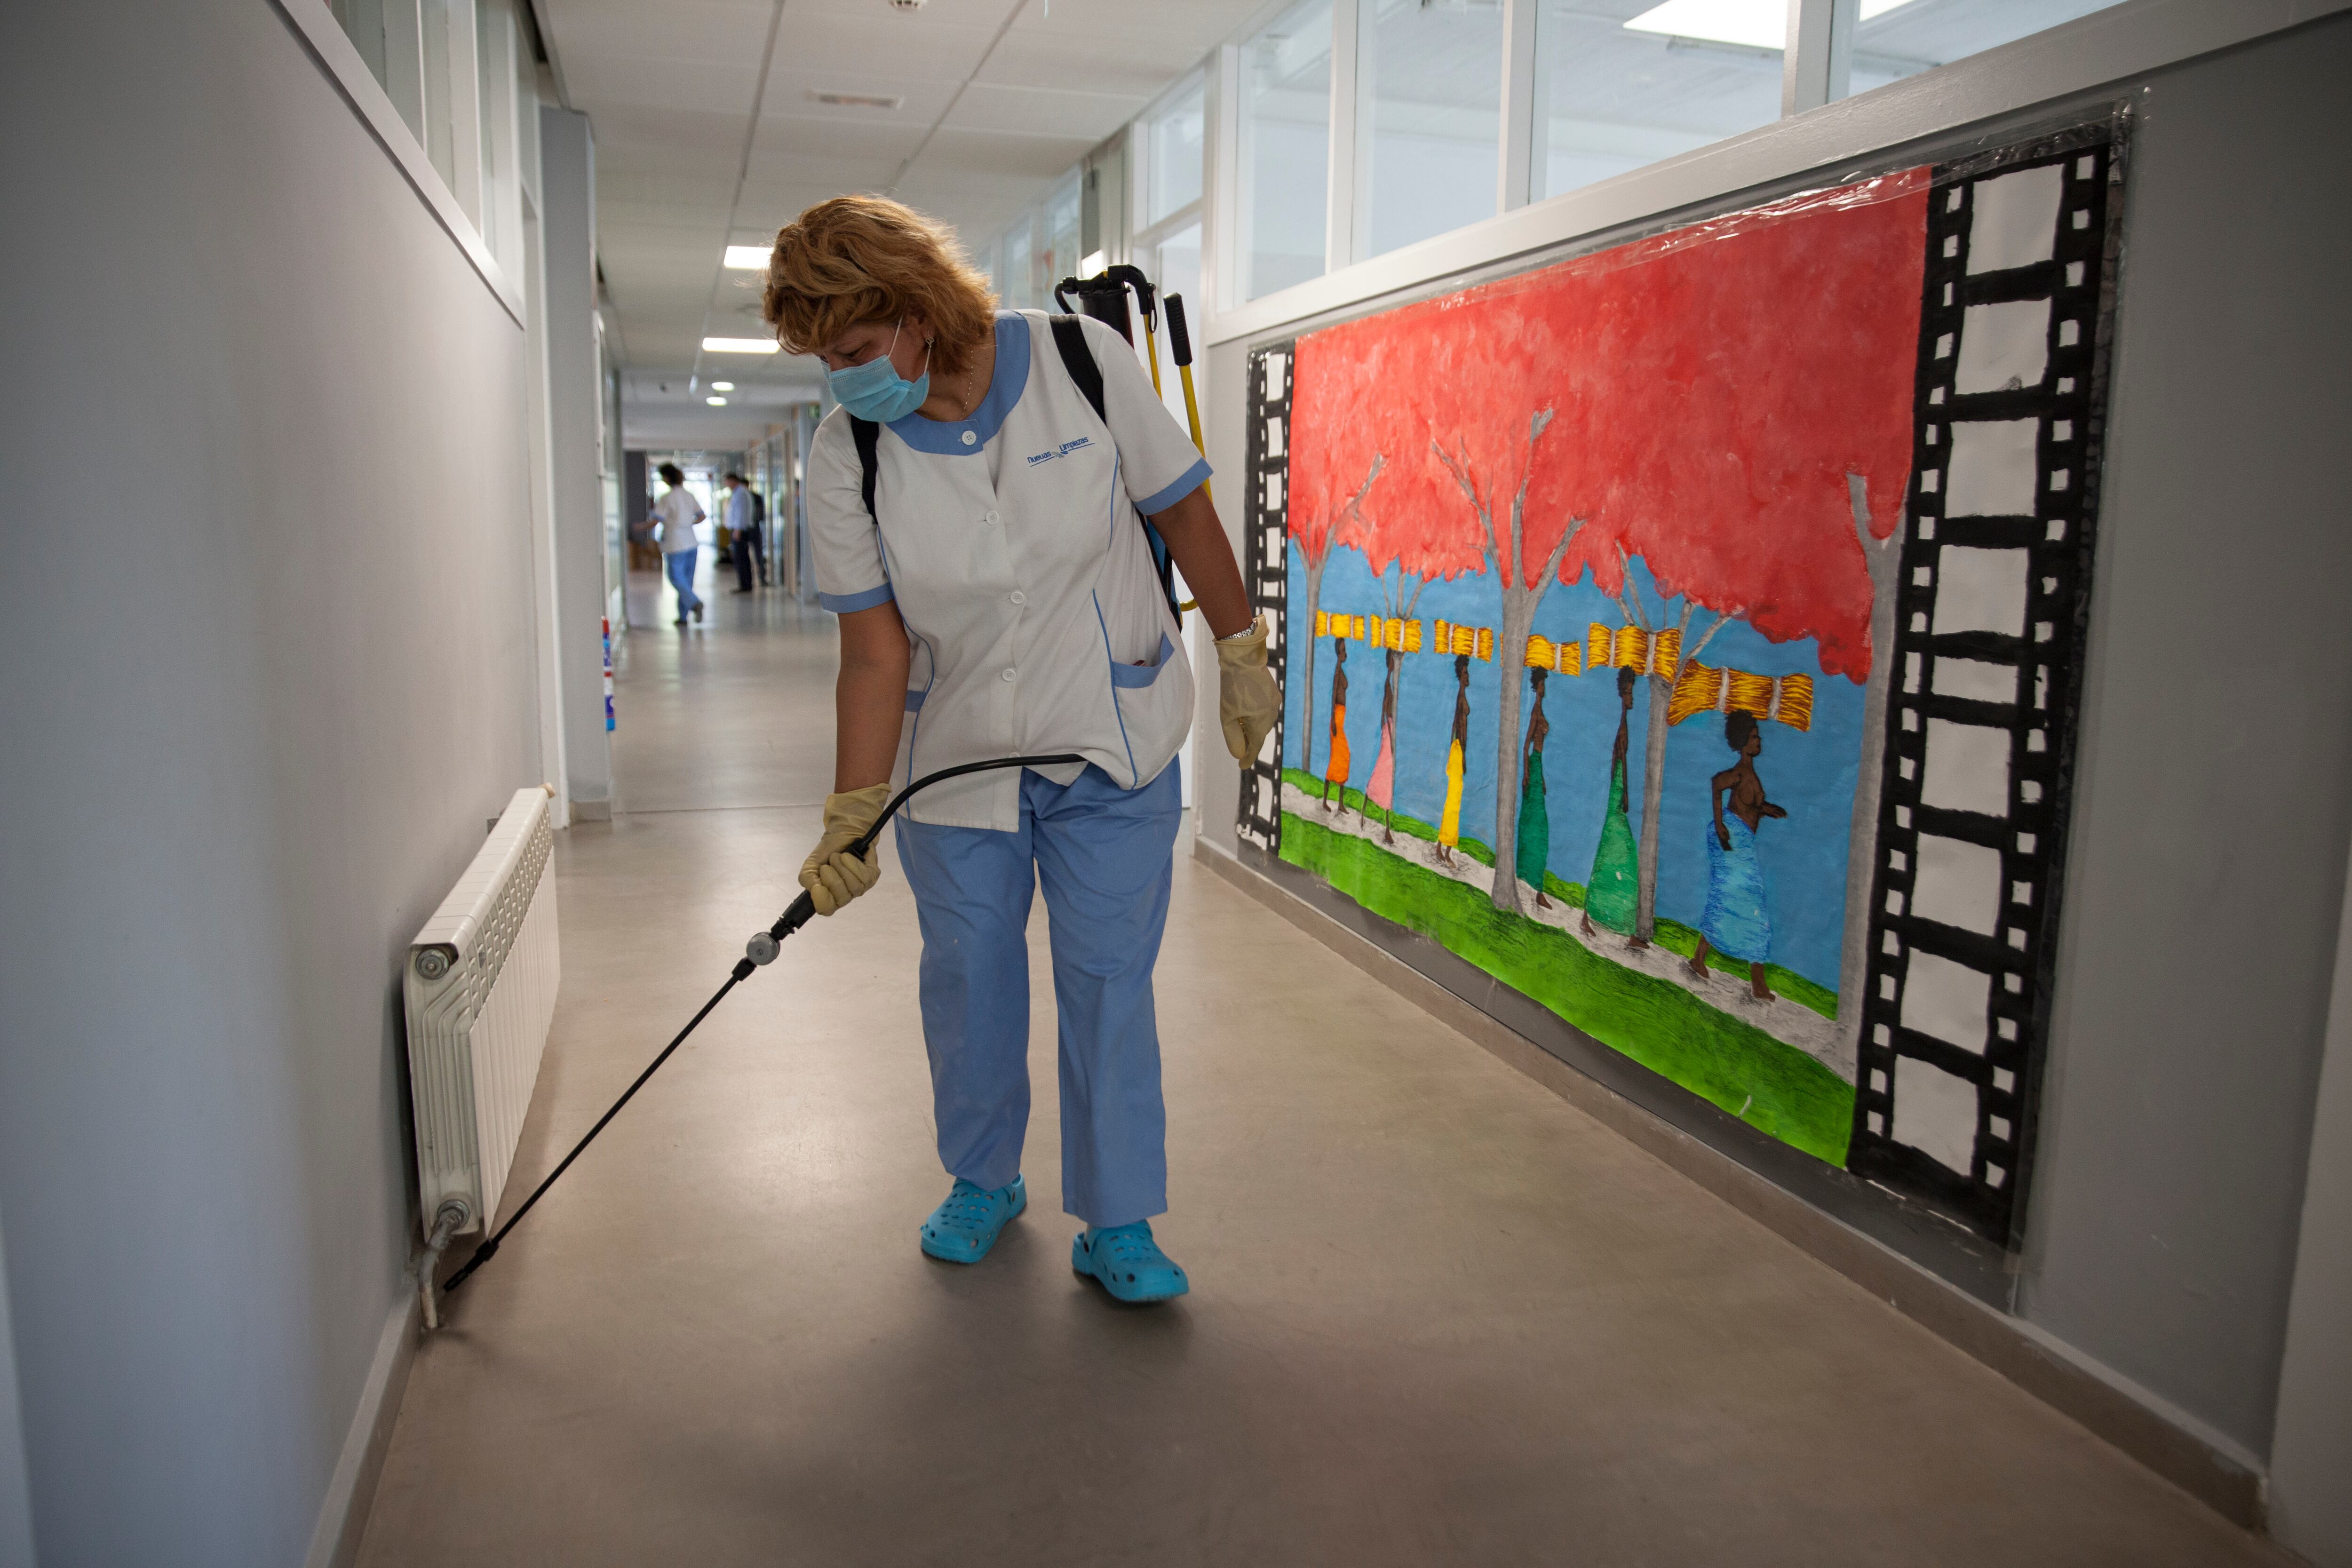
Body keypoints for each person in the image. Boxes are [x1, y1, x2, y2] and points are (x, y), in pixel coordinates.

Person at [763, 195, 1279, 1305]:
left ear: (913, 311)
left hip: (1113, 741)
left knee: (1106, 982)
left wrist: (1241, 646)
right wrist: (853, 811)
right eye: (823, 358)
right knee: (969, 982)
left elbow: (1185, 511)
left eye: (853, 348)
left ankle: (1119, 1219)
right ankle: (981, 1179)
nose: (842, 377)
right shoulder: (846, 448)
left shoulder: (1078, 362)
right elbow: (872, 650)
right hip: (959, 762)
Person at [1691, 709, 1785, 1001]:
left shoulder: (1751, 775)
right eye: (1755, 737)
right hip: (1732, 841)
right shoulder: (1742, 771)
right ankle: (1756, 982)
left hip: (1742, 842)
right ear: (1744, 742)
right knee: (1742, 901)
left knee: (1730, 900)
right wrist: (1720, 825)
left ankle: (1701, 959)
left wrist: (1767, 810)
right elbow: (1717, 784)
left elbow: (1750, 807)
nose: (1759, 742)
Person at [1582, 665, 1641, 941]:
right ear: (1623, 694)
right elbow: (1621, 761)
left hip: (1615, 795)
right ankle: (1593, 914)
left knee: (1615, 852)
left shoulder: (1624, 721)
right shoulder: (1622, 724)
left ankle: (1611, 922)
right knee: (1622, 852)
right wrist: (1625, 791)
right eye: (1629, 693)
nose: (1631, 698)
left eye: (1632, 693)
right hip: (1618, 794)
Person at [652, 462, 705, 626]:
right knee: (687, 581)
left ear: (667, 478)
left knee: (676, 578)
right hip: (691, 541)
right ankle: (683, 617)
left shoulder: (666, 498)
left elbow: (656, 519)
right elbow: (702, 516)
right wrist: (687, 524)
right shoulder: (689, 495)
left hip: (675, 543)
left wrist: (638, 527)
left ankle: (695, 603)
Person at [1517, 667, 1552, 909]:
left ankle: (1536, 884)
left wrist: (1541, 776)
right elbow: (1525, 746)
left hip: (1539, 768)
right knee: (1536, 827)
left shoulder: (1541, 710)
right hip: (1534, 768)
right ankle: (1533, 883)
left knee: (1540, 828)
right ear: (1537, 686)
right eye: (1542, 684)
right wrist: (1527, 774)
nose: (1544, 688)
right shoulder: (1535, 712)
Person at [1437, 652, 1470, 867]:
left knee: (1453, 802)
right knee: (1454, 803)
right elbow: (1458, 728)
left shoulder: (1462, 696)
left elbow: (1454, 728)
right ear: (1460, 675)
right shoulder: (1461, 696)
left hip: (1457, 752)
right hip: (1458, 753)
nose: (1468, 678)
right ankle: (1445, 849)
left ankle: (1442, 847)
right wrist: (1459, 754)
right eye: (1466, 673)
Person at [724, 472, 767, 593]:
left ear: (733, 481)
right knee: (742, 558)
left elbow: (740, 513)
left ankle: (746, 585)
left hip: (741, 530)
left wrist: (737, 530)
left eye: (727, 482)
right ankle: (746, 584)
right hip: (741, 529)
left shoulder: (740, 493)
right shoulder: (740, 492)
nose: (727, 485)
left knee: (741, 558)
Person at [1322, 636, 1350, 817]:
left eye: (1345, 650)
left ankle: (1339, 803)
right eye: (1342, 651)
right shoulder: (1337, 673)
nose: (1345, 654)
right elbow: (1333, 699)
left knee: (1342, 760)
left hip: (1340, 718)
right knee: (1339, 759)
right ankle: (1325, 801)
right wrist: (1333, 722)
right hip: (1337, 720)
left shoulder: (1341, 671)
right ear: (1337, 654)